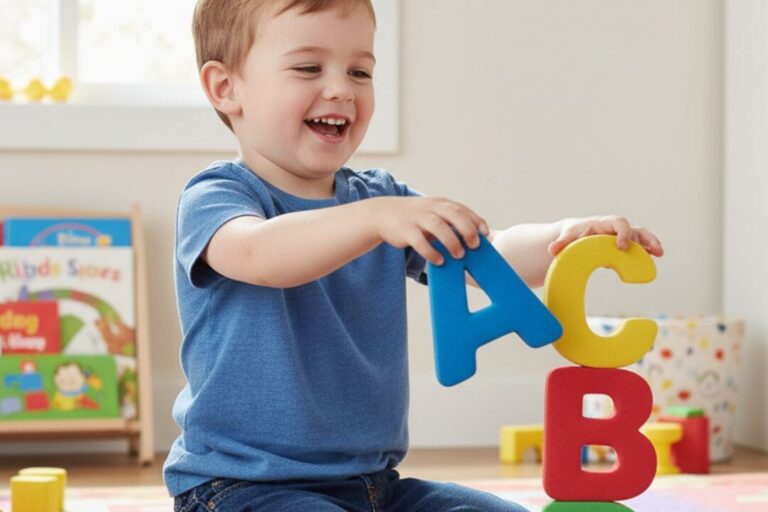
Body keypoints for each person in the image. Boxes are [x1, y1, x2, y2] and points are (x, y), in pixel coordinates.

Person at [164, 0, 665, 510]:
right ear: (226, 88)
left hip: (375, 485)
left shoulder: (380, 200)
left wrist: (564, 236)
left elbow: (487, 261)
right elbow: (259, 254)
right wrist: (378, 218)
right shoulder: (218, 196)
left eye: (360, 70)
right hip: (244, 487)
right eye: (309, 67)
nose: (341, 88)